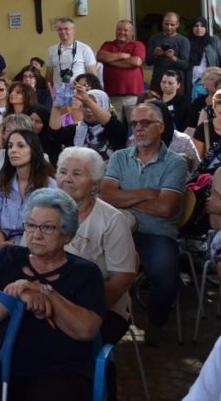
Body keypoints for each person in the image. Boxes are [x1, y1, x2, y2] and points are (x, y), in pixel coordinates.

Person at [0, 189, 106, 400]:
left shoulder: (85, 272)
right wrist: (18, 296)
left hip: (59, 371)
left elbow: (86, 329)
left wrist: (46, 292)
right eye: (31, 225)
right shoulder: (9, 257)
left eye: (48, 227)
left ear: (67, 233)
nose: (36, 234)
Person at [101, 101, 186, 344]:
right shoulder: (119, 157)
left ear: (160, 127)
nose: (138, 128)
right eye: (134, 123)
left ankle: (156, 322)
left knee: (165, 278)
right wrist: (148, 192)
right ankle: (102, 323)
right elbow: (106, 195)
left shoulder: (175, 162)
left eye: (145, 123)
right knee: (91, 269)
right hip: (118, 230)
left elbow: (164, 208)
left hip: (155, 233)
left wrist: (124, 198)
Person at [52, 147, 137, 345]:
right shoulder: (45, 210)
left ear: (95, 185)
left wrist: (83, 310)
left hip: (101, 306)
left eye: (77, 173)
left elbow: (122, 279)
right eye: (63, 172)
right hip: (48, 302)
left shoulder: (112, 220)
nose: (67, 179)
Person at [0, 130, 57, 249]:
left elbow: (52, 226)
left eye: (20, 146)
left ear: (33, 150)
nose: (13, 150)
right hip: (6, 245)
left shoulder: (50, 186)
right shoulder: (2, 182)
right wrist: (0, 244)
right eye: (10, 146)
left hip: (37, 246)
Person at [48, 86, 127, 162]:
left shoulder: (116, 129)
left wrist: (87, 100)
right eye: (85, 106)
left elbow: (111, 123)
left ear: (104, 106)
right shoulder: (76, 130)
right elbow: (56, 134)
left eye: (93, 105)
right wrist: (56, 106)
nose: (88, 110)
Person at [97, 19, 146, 121]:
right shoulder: (108, 45)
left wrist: (111, 61)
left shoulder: (138, 45)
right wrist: (122, 55)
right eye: (119, 30)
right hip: (112, 97)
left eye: (125, 30)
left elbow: (136, 62)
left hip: (134, 96)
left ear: (132, 32)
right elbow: (100, 56)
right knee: (115, 126)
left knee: (136, 125)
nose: (122, 32)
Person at [45, 18, 99, 96]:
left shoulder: (85, 49)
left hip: (79, 92)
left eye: (66, 29)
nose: (63, 32)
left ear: (74, 30)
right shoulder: (51, 50)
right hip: (58, 93)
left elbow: (92, 75)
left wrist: (89, 94)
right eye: (60, 29)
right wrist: (50, 92)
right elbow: (49, 75)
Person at [147, 11, 191, 93]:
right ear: (162, 23)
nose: (169, 27)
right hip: (157, 81)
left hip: (176, 83)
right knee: (154, 105)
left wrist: (172, 57)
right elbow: (148, 62)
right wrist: (155, 55)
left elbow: (185, 65)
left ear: (177, 25)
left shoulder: (183, 41)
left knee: (174, 106)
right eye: (166, 24)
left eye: (172, 25)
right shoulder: (154, 38)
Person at [187, 16, 221, 98]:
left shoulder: (213, 41)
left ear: (206, 28)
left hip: (210, 81)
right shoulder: (186, 41)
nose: (199, 28)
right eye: (196, 26)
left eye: (202, 26)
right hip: (191, 81)